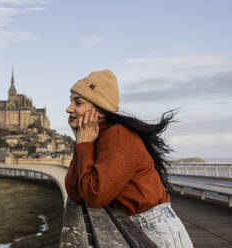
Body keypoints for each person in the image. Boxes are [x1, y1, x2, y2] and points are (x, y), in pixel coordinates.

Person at [65, 69, 193, 248]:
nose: (68, 108)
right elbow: (77, 193)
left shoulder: (119, 136)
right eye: (70, 101)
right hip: (135, 228)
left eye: (77, 102)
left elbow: (95, 195)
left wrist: (84, 145)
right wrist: (81, 143)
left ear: (99, 110)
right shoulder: (96, 138)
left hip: (155, 231)